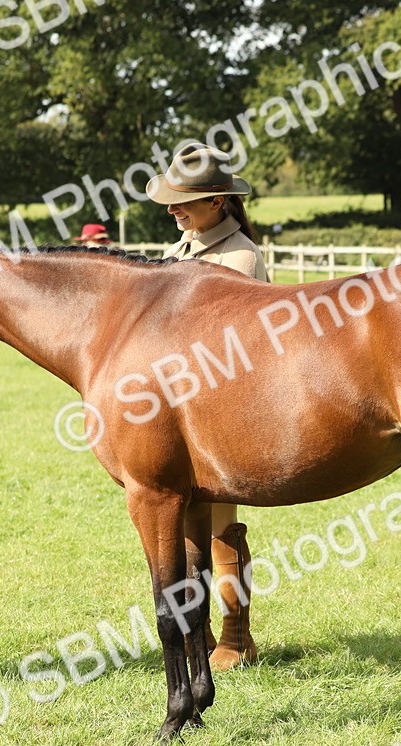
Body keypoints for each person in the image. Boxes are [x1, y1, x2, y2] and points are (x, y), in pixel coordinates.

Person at [145, 143, 265, 669]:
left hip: (222, 408)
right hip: (175, 409)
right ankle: (203, 631)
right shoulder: (176, 254)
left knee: (219, 523)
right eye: (170, 201)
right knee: (185, 520)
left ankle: (236, 634)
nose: (173, 210)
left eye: (183, 202)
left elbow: (241, 343)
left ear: (218, 202)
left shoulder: (240, 257)